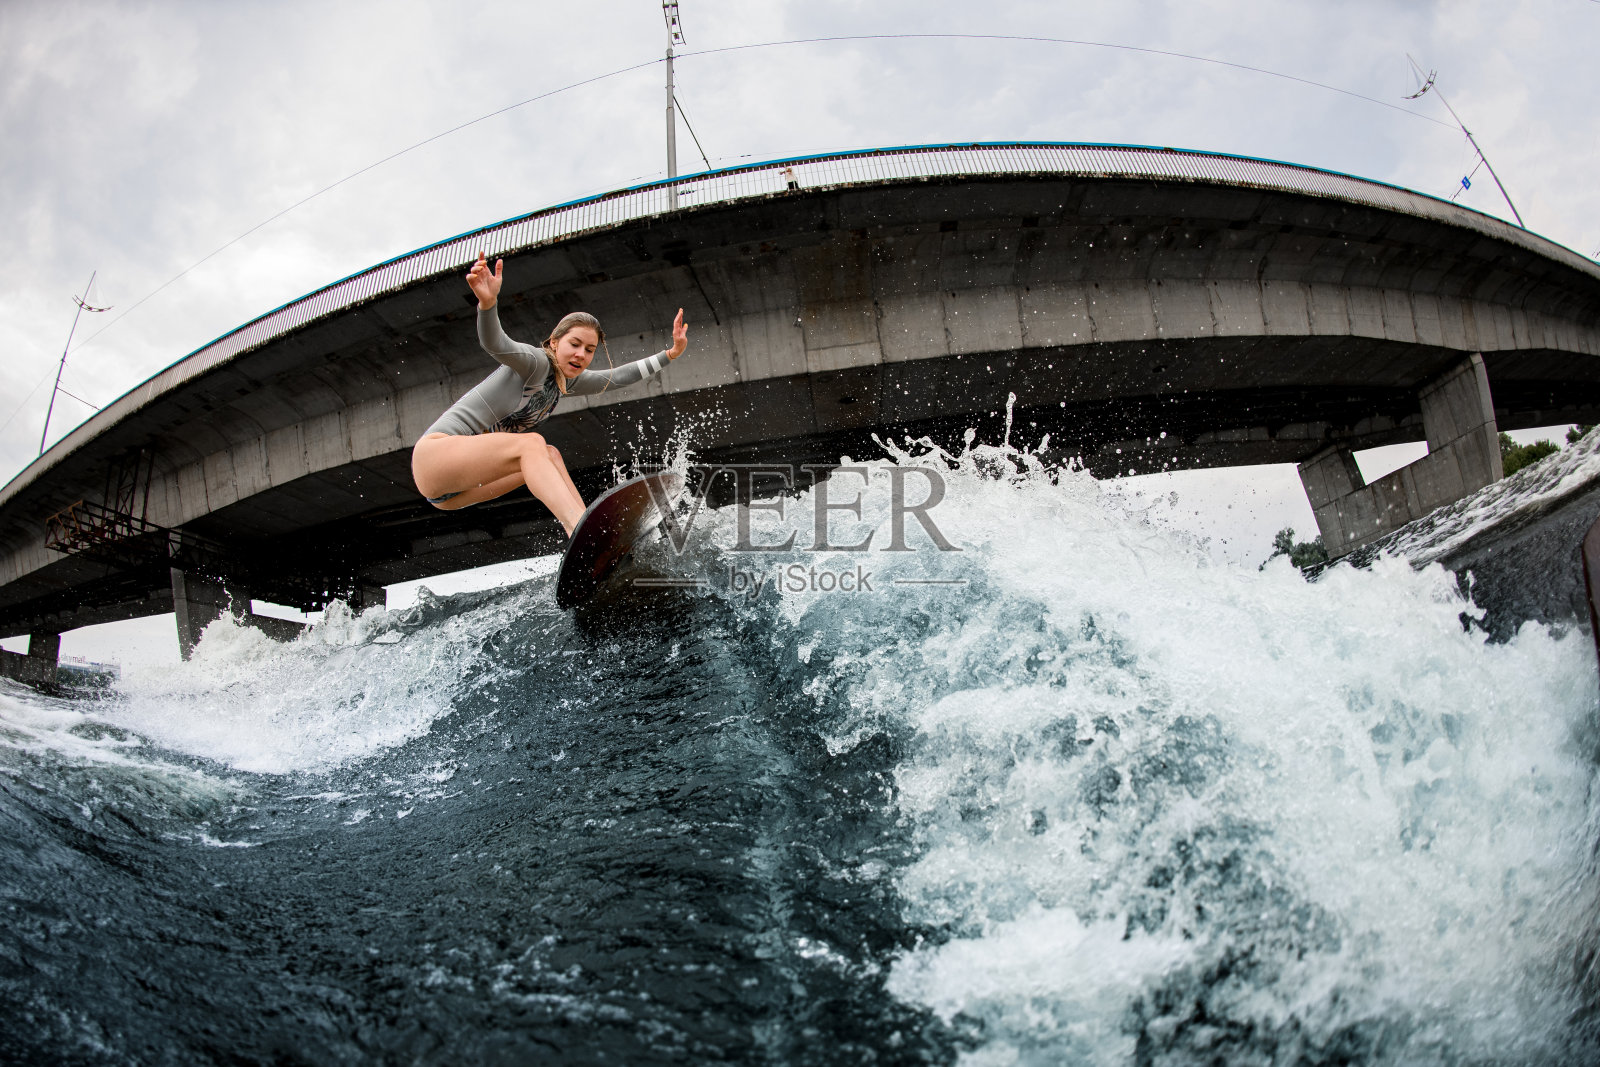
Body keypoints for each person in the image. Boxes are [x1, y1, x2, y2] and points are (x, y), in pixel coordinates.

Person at [410, 253, 688, 535]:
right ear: (554, 343)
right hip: (434, 457)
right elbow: (495, 343)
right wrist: (488, 304)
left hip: (453, 494)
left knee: (549, 454)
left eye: (589, 350)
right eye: (575, 344)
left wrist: (670, 354)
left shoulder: (567, 381)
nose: (581, 354)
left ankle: (586, 534)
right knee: (532, 444)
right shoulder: (534, 362)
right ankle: (579, 530)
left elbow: (616, 378)